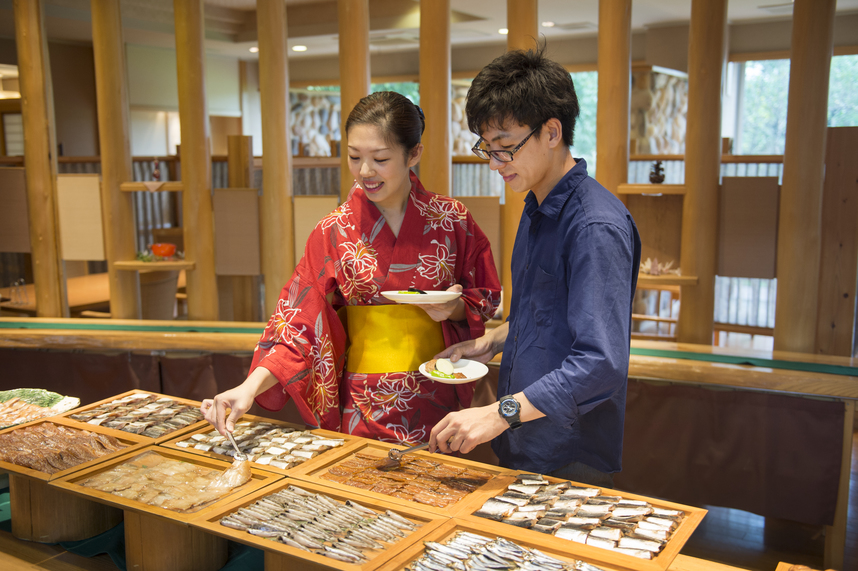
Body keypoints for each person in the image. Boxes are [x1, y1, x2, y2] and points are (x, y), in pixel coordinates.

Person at [202, 91, 501, 445]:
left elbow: (484, 297)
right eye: (354, 157)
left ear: (414, 153)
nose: (365, 172)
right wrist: (248, 387)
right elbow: (299, 324)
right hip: (364, 400)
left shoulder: (451, 219)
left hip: (439, 390)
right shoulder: (333, 230)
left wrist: (453, 309)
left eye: (380, 158)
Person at [428, 47, 641, 488]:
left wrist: (498, 412)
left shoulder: (594, 225)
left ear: (551, 132)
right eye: (487, 148)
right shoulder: (535, 207)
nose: (493, 163)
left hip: (569, 452)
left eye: (505, 148)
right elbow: (544, 317)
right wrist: (489, 343)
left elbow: (601, 363)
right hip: (525, 439)